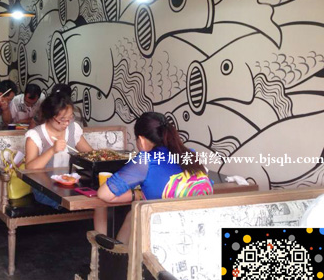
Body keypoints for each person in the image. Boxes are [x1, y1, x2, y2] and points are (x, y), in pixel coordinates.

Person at [97, 112, 213, 244]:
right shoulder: (190, 154)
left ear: (141, 140)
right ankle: (122, 254)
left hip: (165, 239)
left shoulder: (145, 160)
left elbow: (104, 194)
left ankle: (117, 254)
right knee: (132, 215)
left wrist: (137, 194)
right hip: (200, 231)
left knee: (134, 213)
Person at [25, 92, 93, 208]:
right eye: (62, 119)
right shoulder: (35, 135)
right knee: (65, 201)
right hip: (45, 188)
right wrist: (52, 150)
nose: (67, 123)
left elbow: (90, 155)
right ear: (49, 116)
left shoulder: (73, 129)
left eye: (70, 118)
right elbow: (30, 168)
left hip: (71, 184)